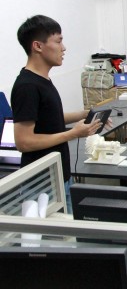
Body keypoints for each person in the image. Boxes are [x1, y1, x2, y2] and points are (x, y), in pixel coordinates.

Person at [11, 15, 103, 214]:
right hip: (41, 182)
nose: (64, 48)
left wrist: (84, 114)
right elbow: (24, 142)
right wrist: (73, 133)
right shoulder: (27, 86)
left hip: (59, 174)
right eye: (58, 41)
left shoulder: (42, 80)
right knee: (51, 232)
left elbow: (48, 118)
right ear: (38, 46)